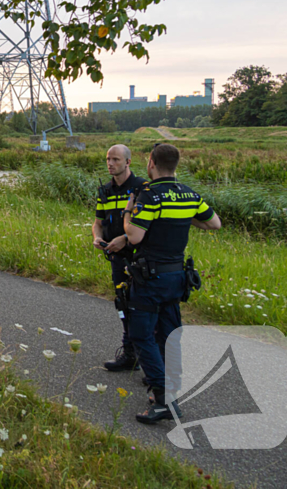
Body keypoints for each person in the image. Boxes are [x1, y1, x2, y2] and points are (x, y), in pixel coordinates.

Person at [123, 143, 221, 424]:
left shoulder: (150, 195)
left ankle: (163, 398)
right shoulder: (189, 194)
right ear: (176, 165)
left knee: (142, 335)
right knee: (169, 335)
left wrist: (128, 214)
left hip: (150, 278)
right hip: (176, 277)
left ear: (151, 163)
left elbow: (135, 237)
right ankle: (171, 391)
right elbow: (214, 223)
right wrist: (183, 220)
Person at [92, 144, 147, 372]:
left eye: (115, 159)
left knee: (142, 308)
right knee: (122, 304)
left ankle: (150, 359)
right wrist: (97, 237)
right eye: (108, 159)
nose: (110, 163)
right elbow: (98, 222)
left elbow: (149, 224)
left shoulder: (142, 187)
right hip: (115, 257)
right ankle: (130, 354)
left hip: (139, 257)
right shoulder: (105, 190)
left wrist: (125, 238)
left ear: (128, 162)